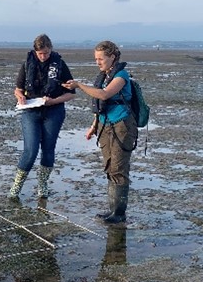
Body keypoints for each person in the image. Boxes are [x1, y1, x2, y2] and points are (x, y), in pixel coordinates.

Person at [63, 40, 138, 223]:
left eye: (100, 58)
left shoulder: (121, 76)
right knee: (110, 168)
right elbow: (101, 107)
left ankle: (119, 214)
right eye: (95, 59)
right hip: (105, 126)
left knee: (119, 168)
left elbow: (104, 95)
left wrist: (79, 85)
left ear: (112, 57)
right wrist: (93, 126)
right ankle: (112, 210)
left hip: (122, 126)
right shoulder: (104, 76)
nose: (97, 62)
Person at [9, 34, 75, 200]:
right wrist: (20, 97)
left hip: (53, 111)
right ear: (35, 51)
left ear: (50, 49)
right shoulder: (27, 64)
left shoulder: (59, 64)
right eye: (40, 54)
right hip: (31, 110)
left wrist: (53, 101)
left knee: (48, 149)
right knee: (30, 150)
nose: (43, 57)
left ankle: (42, 186)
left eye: (46, 53)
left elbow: (71, 94)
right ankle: (16, 187)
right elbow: (17, 88)